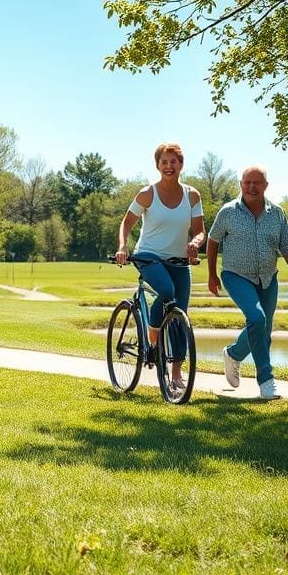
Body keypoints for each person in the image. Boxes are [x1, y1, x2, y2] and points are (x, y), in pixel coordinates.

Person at [115, 142, 205, 392]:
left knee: (180, 316)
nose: (169, 166)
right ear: (157, 165)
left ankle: (176, 374)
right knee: (167, 291)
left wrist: (195, 244)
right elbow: (126, 223)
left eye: (173, 162)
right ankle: (153, 337)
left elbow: (200, 232)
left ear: (181, 165)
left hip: (178, 261)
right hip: (149, 257)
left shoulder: (192, 195)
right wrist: (123, 246)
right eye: (164, 162)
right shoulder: (147, 194)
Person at [208, 166, 288, 400]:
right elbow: (212, 241)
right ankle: (266, 380)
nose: (251, 187)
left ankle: (233, 354)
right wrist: (212, 274)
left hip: (268, 278)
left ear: (265, 186)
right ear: (241, 184)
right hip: (235, 275)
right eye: (247, 182)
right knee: (257, 319)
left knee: (264, 330)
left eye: (257, 183)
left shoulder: (277, 213)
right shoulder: (228, 212)